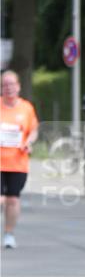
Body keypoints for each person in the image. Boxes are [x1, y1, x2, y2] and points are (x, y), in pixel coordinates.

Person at [1, 70, 39, 249]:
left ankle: (9, 234)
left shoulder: (26, 108)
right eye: (4, 85)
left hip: (18, 162)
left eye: (11, 84)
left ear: (18, 87)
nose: (8, 88)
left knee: (13, 200)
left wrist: (29, 142)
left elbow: (33, 130)